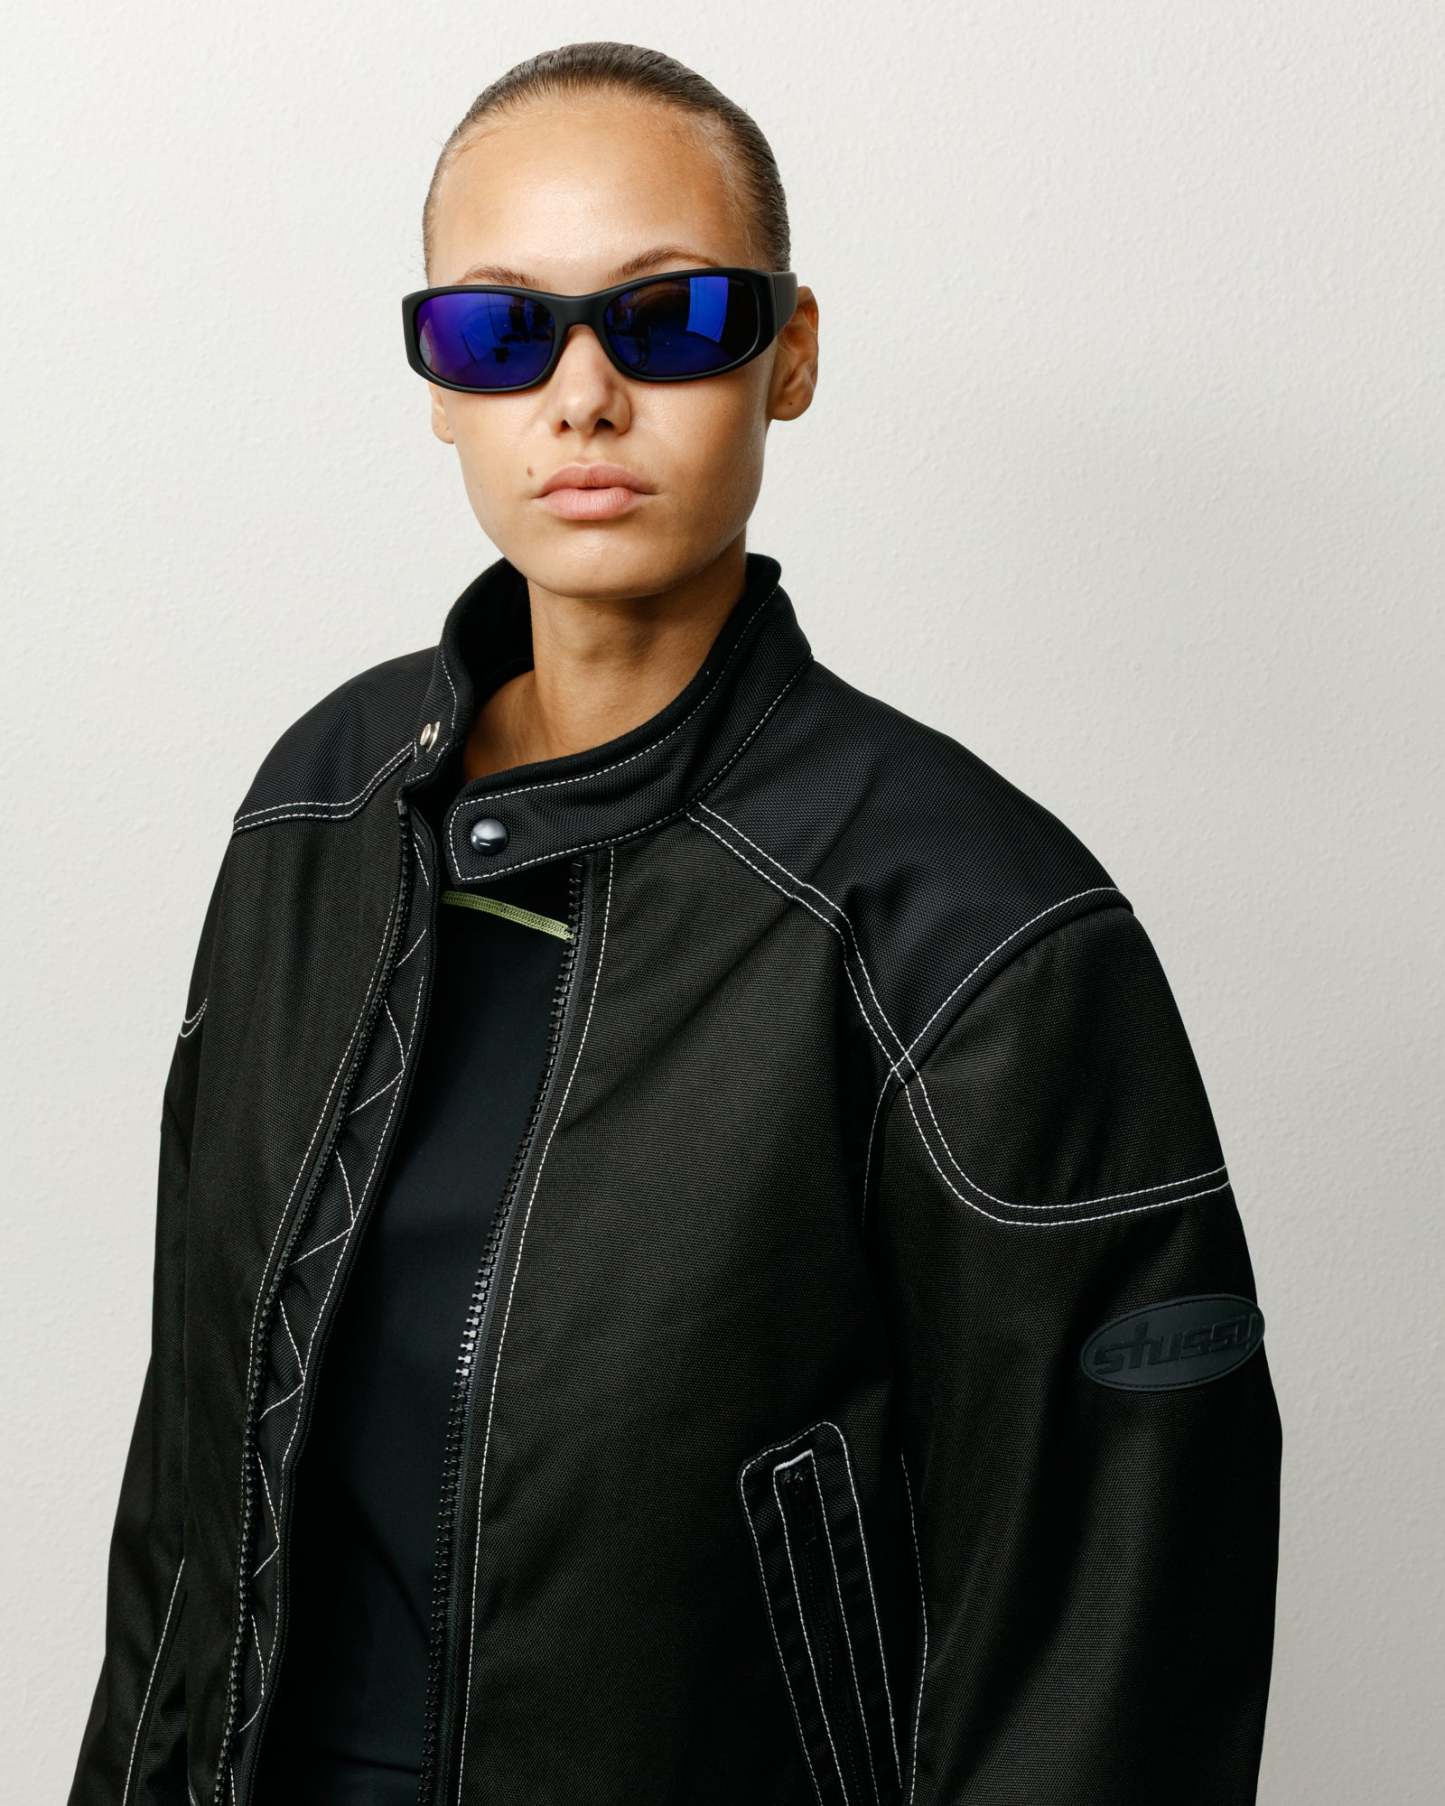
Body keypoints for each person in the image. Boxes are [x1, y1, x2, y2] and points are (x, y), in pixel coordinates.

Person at [68, 39, 1282, 1806]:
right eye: (501, 331)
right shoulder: (316, 810)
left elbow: (1118, 1645)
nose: (581, 396)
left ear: (790, 353)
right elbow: (187, 1487)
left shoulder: (978, 928)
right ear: (437, 385)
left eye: (671, 318)